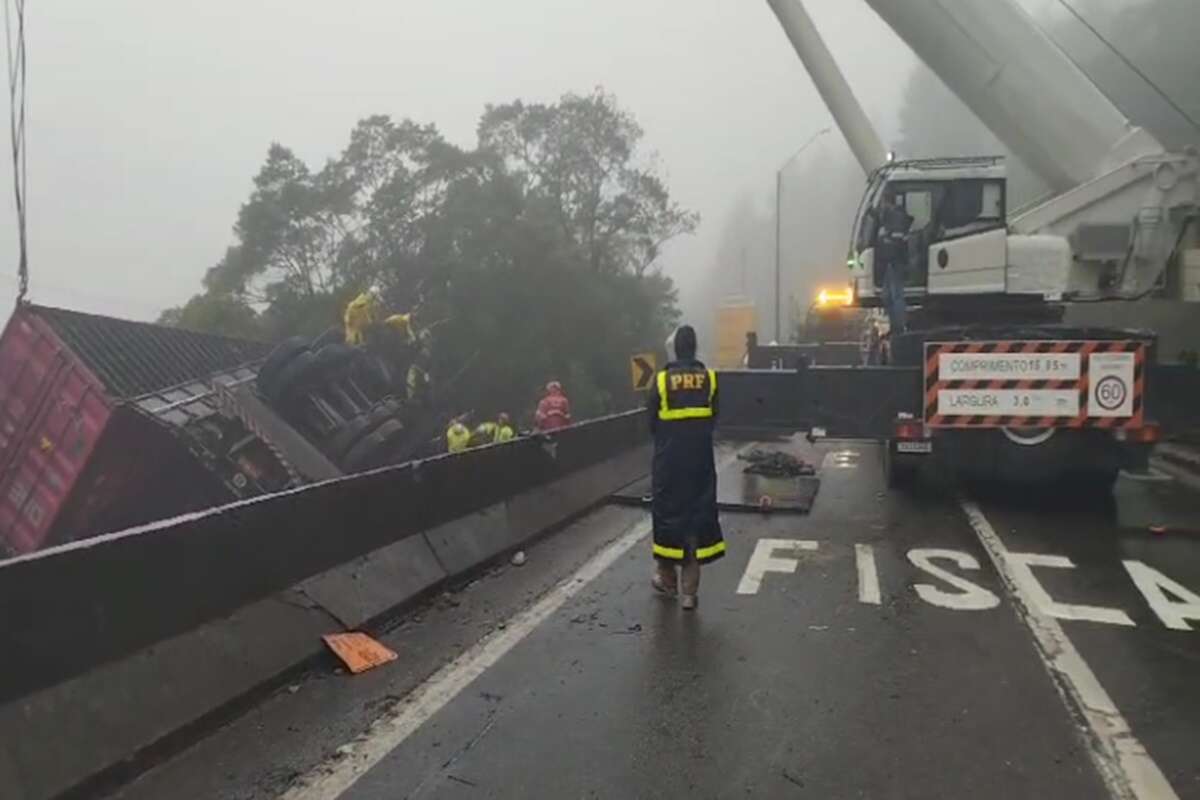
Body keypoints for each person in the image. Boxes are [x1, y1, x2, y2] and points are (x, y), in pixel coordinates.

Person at [645, 324, 723, 610]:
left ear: (675, 349)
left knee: (667, 517)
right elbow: (714, 418)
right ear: (695, 347)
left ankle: (667, 580)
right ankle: (689, 593)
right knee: (696, 519)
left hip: (670, 463)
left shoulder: (663, 380)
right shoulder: (710, 379)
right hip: (700, 462)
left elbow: (651, 421)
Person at [876, 194, 913, 334]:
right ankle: (895, 324)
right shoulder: (894, 217)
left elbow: (897, 243)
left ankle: (899, 325)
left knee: (895, 295)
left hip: (894, 261)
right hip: (891, 262)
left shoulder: (894, 218)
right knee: (887, 295)